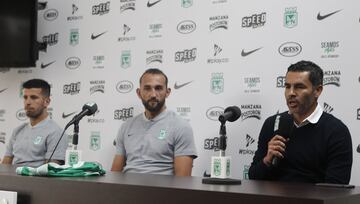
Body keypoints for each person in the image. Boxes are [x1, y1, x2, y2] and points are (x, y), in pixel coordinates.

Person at [248, 60, 353, 184]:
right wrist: (267, 160)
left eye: (299, 87)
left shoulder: (336, 131)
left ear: (317, 91)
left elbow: (337, 188)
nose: (291, 93)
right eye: (287, 86)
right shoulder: (272, 123)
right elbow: (253, 178)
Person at [111, 68, 197, 176]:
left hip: (162, 192)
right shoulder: (126, 126)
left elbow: (183, 181)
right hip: (127, 190)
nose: (153, 94)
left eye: (158, 88)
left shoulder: (181, 126)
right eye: (147, 88)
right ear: (139, 93)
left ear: (167, 92)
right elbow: (114, 175)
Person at [2, 79, 67, 167]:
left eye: (33, 97)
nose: (28, 102)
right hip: (13, 179)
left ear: (46, 102)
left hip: (37, 180)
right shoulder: (18, 131)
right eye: (25, 97)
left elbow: (50, 170)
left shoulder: (56, 132)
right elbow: (5, 164)